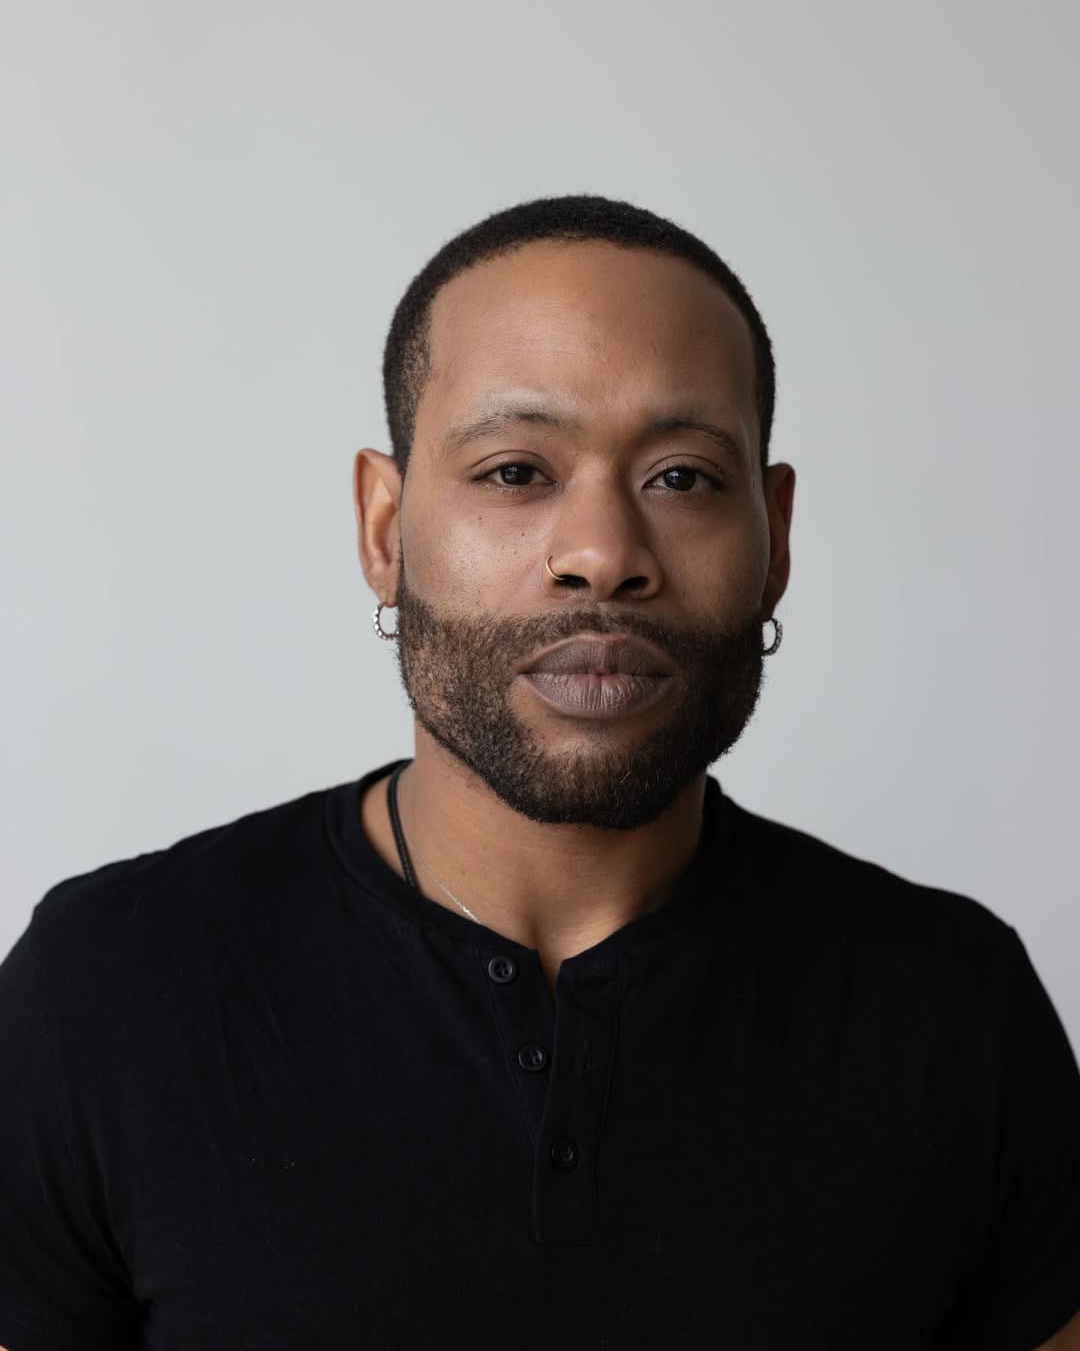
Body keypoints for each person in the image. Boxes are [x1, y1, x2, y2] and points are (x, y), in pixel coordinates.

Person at [0, 194, 1077, 1350]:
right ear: (384, 528)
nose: (602, 556)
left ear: (775, 539)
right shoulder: (105, 992)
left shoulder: (956, 1012)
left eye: (683, 478)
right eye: (515, 471)